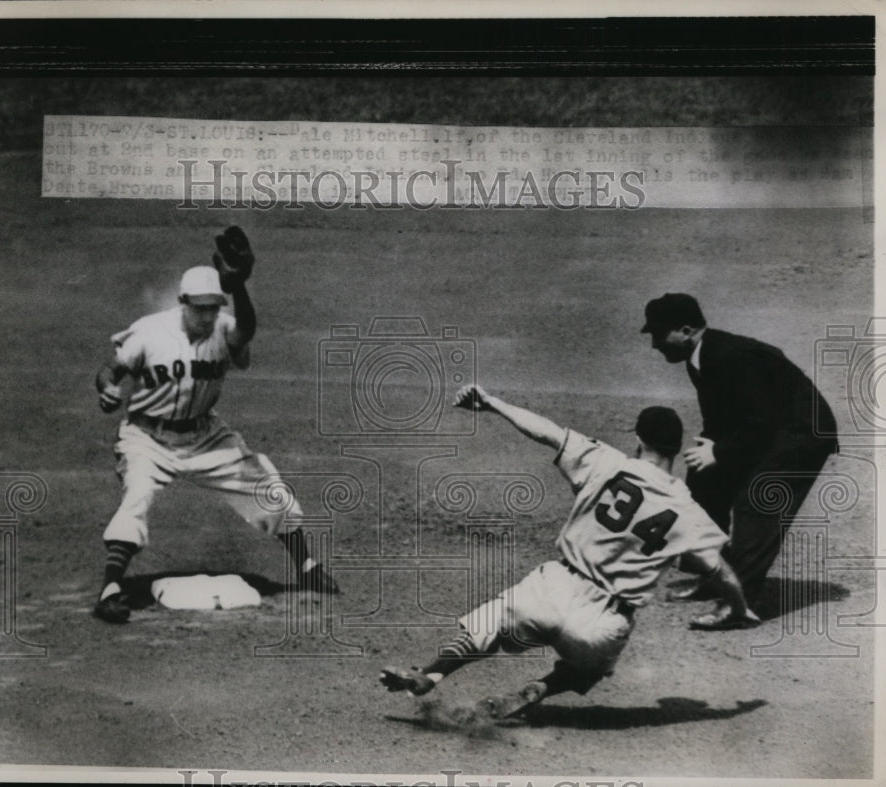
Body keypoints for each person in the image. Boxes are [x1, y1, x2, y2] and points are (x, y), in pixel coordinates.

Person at [379, 384, 758, 719]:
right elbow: (718, 570)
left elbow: (548, 433)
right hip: (602, 622)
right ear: (675, 450)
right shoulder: (686, 508)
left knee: (491, 623)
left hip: (553, 588)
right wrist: (738, 609)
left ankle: (431, 673)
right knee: (591, 669)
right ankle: (538, 690)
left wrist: (493, 403)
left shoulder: (607, 462)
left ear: (639, 440)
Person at [92, 227, 338, 624]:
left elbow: (246, 331)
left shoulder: (224, 327)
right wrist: (107, 389)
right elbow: (110, 370)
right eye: (200, 307)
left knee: (267, 487)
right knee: (136, 495)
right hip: (148, 436)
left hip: (205, 436)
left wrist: (240, 287)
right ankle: (110, 588)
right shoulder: (151, 331)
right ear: (183, 302)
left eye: (214, 306)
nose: (208, 315)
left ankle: (307, 567)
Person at [641, 293, 838, 609]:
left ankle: (739, 603)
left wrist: (720, 452)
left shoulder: (731, 356)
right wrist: (712, 450)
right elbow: (722, 418)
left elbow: (762, 419)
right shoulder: (699, 358)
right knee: (705, 480)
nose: (654, 344)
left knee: (757, 501)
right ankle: (714, 576)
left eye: (659, 334)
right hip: (771, 428)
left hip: (802, 432)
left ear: (687, 330)